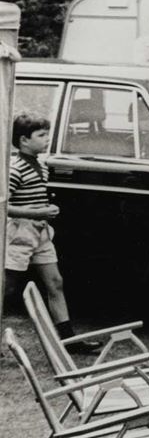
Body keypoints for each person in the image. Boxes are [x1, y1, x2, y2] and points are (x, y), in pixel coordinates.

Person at [6, 112, 100, 353]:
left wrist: (43, 213)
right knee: (6, 287)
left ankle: (68, 340)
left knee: (55, 282)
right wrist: (37, 213)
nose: (46, 139)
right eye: (41, 135)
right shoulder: (14, 169)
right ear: (24, 140)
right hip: (18, 233)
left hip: (41, 232)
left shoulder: (41, 166)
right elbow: (4, 206)